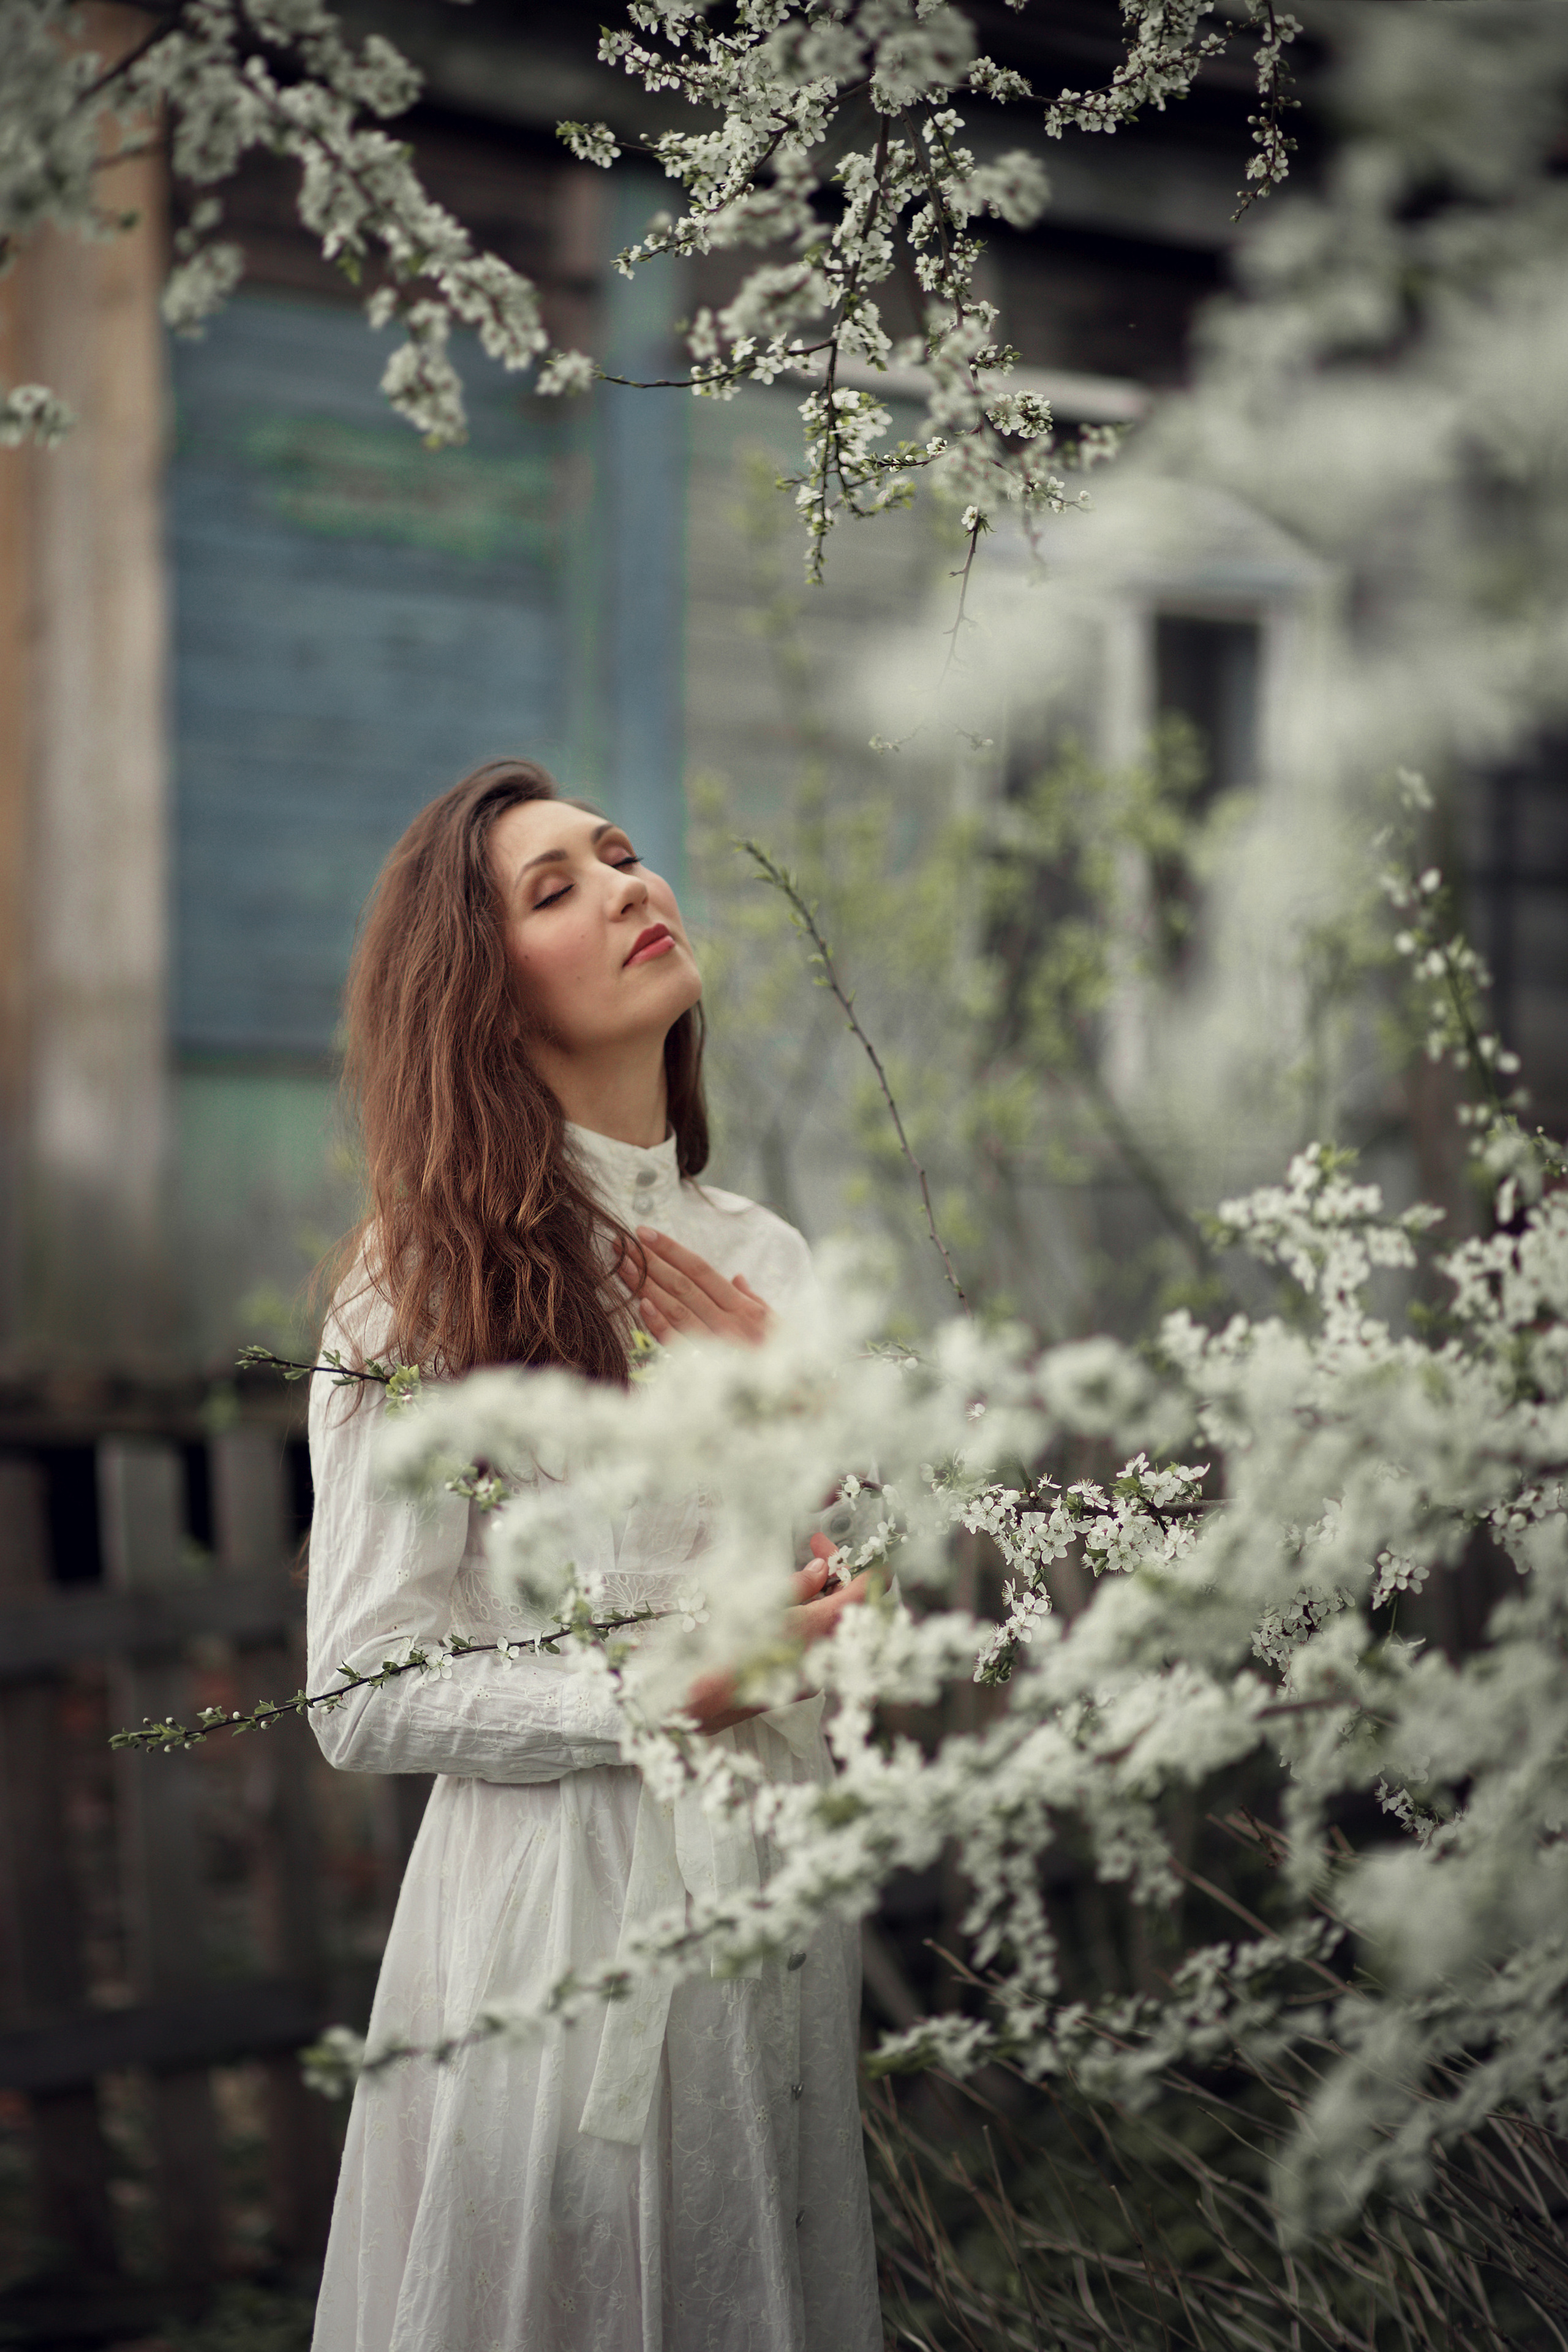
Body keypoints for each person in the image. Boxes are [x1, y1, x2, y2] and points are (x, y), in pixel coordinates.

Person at [306, 759, 883, 2352]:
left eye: (620, 855)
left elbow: (873, 1589)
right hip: (553, 1920)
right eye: (556, 888)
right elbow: (359, 1689)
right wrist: (654, 1690)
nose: (634, 886)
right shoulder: (419, 1285)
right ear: (482, 997)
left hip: (772, 1900)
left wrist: (812, 1408)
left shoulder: (768, 1259)